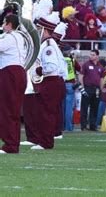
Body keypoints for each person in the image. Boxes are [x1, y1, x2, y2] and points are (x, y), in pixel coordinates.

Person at [30, 12, 67, 150]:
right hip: (51, 82)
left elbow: (51, 67)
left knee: (46, 113)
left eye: (40, 29)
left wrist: (39, 70)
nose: (38, 31)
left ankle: (46, 142)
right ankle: (44, 140)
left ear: (45, 30)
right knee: (45, 112)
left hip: (50, 81)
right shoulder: (48, 44)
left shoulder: (48, 46)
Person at [0, 14, 28, 154]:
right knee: (12, 109)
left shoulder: (10, 36)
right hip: (16, 72)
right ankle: (12, 142)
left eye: (4, 22)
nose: (3, 25)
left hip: (10, 73)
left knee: (8, 109)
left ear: (9, 24)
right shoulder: (17, 36)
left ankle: (10, 144)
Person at [79, 50, 105, 131]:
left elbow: (101, 79)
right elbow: (80, 76)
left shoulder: (100, 66)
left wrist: (101, 89)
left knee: (94, 108)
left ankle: (92, 126)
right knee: (84, 107)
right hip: (87, 88)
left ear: (97, 56)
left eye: (93, 55)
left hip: (96, 90)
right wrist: (83, 87)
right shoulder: (86, 64)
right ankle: (83, 126)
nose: (91, 56)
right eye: (90, 54)